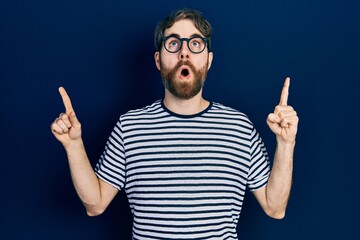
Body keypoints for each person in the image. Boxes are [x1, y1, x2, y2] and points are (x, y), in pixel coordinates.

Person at [51, 8, 298, 240]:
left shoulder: (239, 128)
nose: (184, 52)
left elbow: (275, 208)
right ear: (158, 60)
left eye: (195, 43)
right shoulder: (130, 127)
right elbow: (95, 205)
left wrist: (286, 143)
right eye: (173, 43)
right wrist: (73, 146)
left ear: (209, 60)